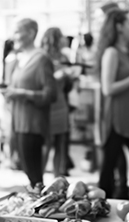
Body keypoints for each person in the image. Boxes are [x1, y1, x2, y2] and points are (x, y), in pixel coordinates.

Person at [96, 9, 129, 201]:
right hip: (115, 119)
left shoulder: (126, 52)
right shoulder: (111, 53)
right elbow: (107, 88)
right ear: (119, 27)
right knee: (108, 170)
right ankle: (101, 207)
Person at [2, 18, 56, 188]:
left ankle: (40, 208)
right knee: (27, 170)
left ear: (31, 33)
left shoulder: (41, 59)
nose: (13, 36)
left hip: (33, 125)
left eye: (18, 31)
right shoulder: (19, 59)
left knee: (34, 174)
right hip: (18, 124)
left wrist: (22, 94)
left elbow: (50, 95)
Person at [41, 27, 73, 177]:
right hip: (46, 107)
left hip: (61, 105)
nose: (64, 40)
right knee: (45, 145)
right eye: (61, 37)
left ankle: (58, 178)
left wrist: (70, 78)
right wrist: (57, 76)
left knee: (61, 144)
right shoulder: (42, 58)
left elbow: (68, 87)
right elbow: (40, 83)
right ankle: (38, 182)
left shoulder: (65, 58)